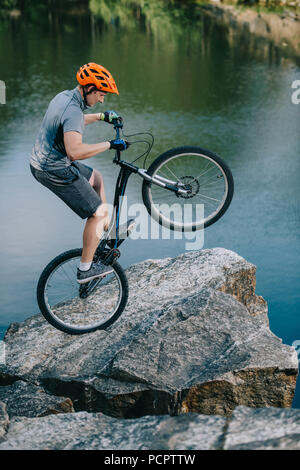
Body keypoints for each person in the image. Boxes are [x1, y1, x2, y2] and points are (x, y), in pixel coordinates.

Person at [30, 62, 128, 284]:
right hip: (53, 169)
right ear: (90, 89)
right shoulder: (73, 109)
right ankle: (85, 269)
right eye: (101, 94)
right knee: (97, 213)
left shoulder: (65, 97)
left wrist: (101, 116)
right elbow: (75, 152)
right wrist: (110, 144)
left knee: (97, 179)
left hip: (45, 161)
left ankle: (101, 232)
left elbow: (72, 122)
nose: (102, 99)